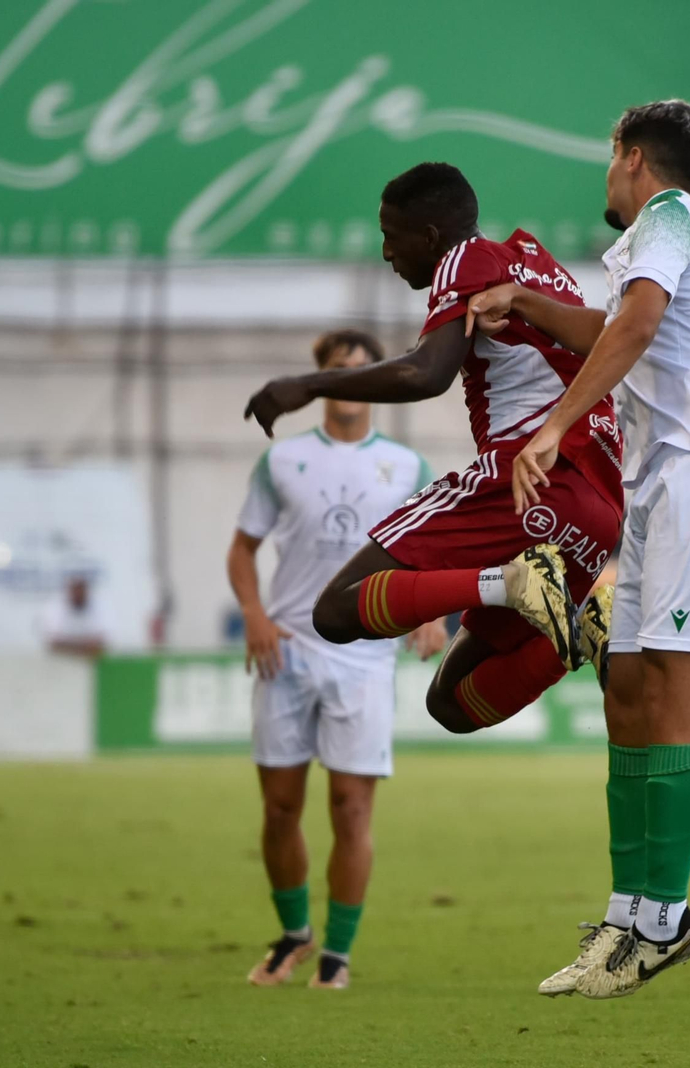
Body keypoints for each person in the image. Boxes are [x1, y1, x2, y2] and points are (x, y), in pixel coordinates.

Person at [465, 99, 690, 998]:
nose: (607, 175)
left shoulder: (672, 219)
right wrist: (525, 300)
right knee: (631, 688)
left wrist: (554, 428)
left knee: (676, 692)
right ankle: (627, 917)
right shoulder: (658, 241)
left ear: (633, 158)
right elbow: (618, 329)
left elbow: (636, 327)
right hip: (661, 484)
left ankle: (664, 921)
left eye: (611, 159)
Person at [242, 162, 624, 744]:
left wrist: (309, 385)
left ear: (429, 236)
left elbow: (427, 372)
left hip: (528, 476)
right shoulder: (534, 263)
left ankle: (512, 583)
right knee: (451, 701)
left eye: (391, 236)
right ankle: (579, 631)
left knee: (335, 611)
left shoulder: (465, 260)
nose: (387, 254)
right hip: (597, 502)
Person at [230, 329, 447, 992]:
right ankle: (295, 935)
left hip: (363, 656)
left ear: (376, 381)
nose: (350, 378)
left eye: (362, 369)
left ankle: (338, 955)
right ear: (322, 378)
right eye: (338, 368)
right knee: (278, 809)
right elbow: (242, 551)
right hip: (287, 652)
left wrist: (433, 612)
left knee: (352, 809)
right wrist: (256, 618)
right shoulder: (283, 460)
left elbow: (431, 551)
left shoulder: (409, 468)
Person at [40, 574, 110, 659]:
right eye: (75, 591)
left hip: (90, 662)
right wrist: (84, 646)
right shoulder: (55, 607)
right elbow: (53, 643)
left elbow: (101, 643)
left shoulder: (99, 606)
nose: (78, 595)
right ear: (69, 592)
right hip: (60, 661)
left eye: (81, 591)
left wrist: (69, 645)